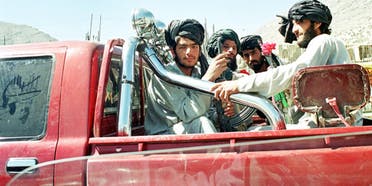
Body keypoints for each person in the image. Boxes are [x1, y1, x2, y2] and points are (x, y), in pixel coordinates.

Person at [211, 0, 361, 128]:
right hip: (331, 123)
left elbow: (295, 73)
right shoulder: (328, 44)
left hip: (335, 125)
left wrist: (238, 85)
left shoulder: (322, 41)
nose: (294, 29)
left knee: (255, 136)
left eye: (300, 22)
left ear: (317, 23)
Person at [144, 19, 230, 135]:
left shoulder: (196, 74)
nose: (189, 52)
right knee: (201, 123)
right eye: (183, 47)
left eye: (194, 46)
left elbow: (204, 112)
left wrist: (222, 113)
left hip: (186, 136)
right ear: (173, 51)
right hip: (162, 140)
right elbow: (188, 113)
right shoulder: (165, 76)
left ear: (200, 50)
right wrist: (208, 79)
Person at [205, 29, 247, 131]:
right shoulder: (203, 78)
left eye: (234, 47)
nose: (231, 51)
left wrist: (234, 112)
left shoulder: (239, 79)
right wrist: (218, 115)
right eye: (226, 47)